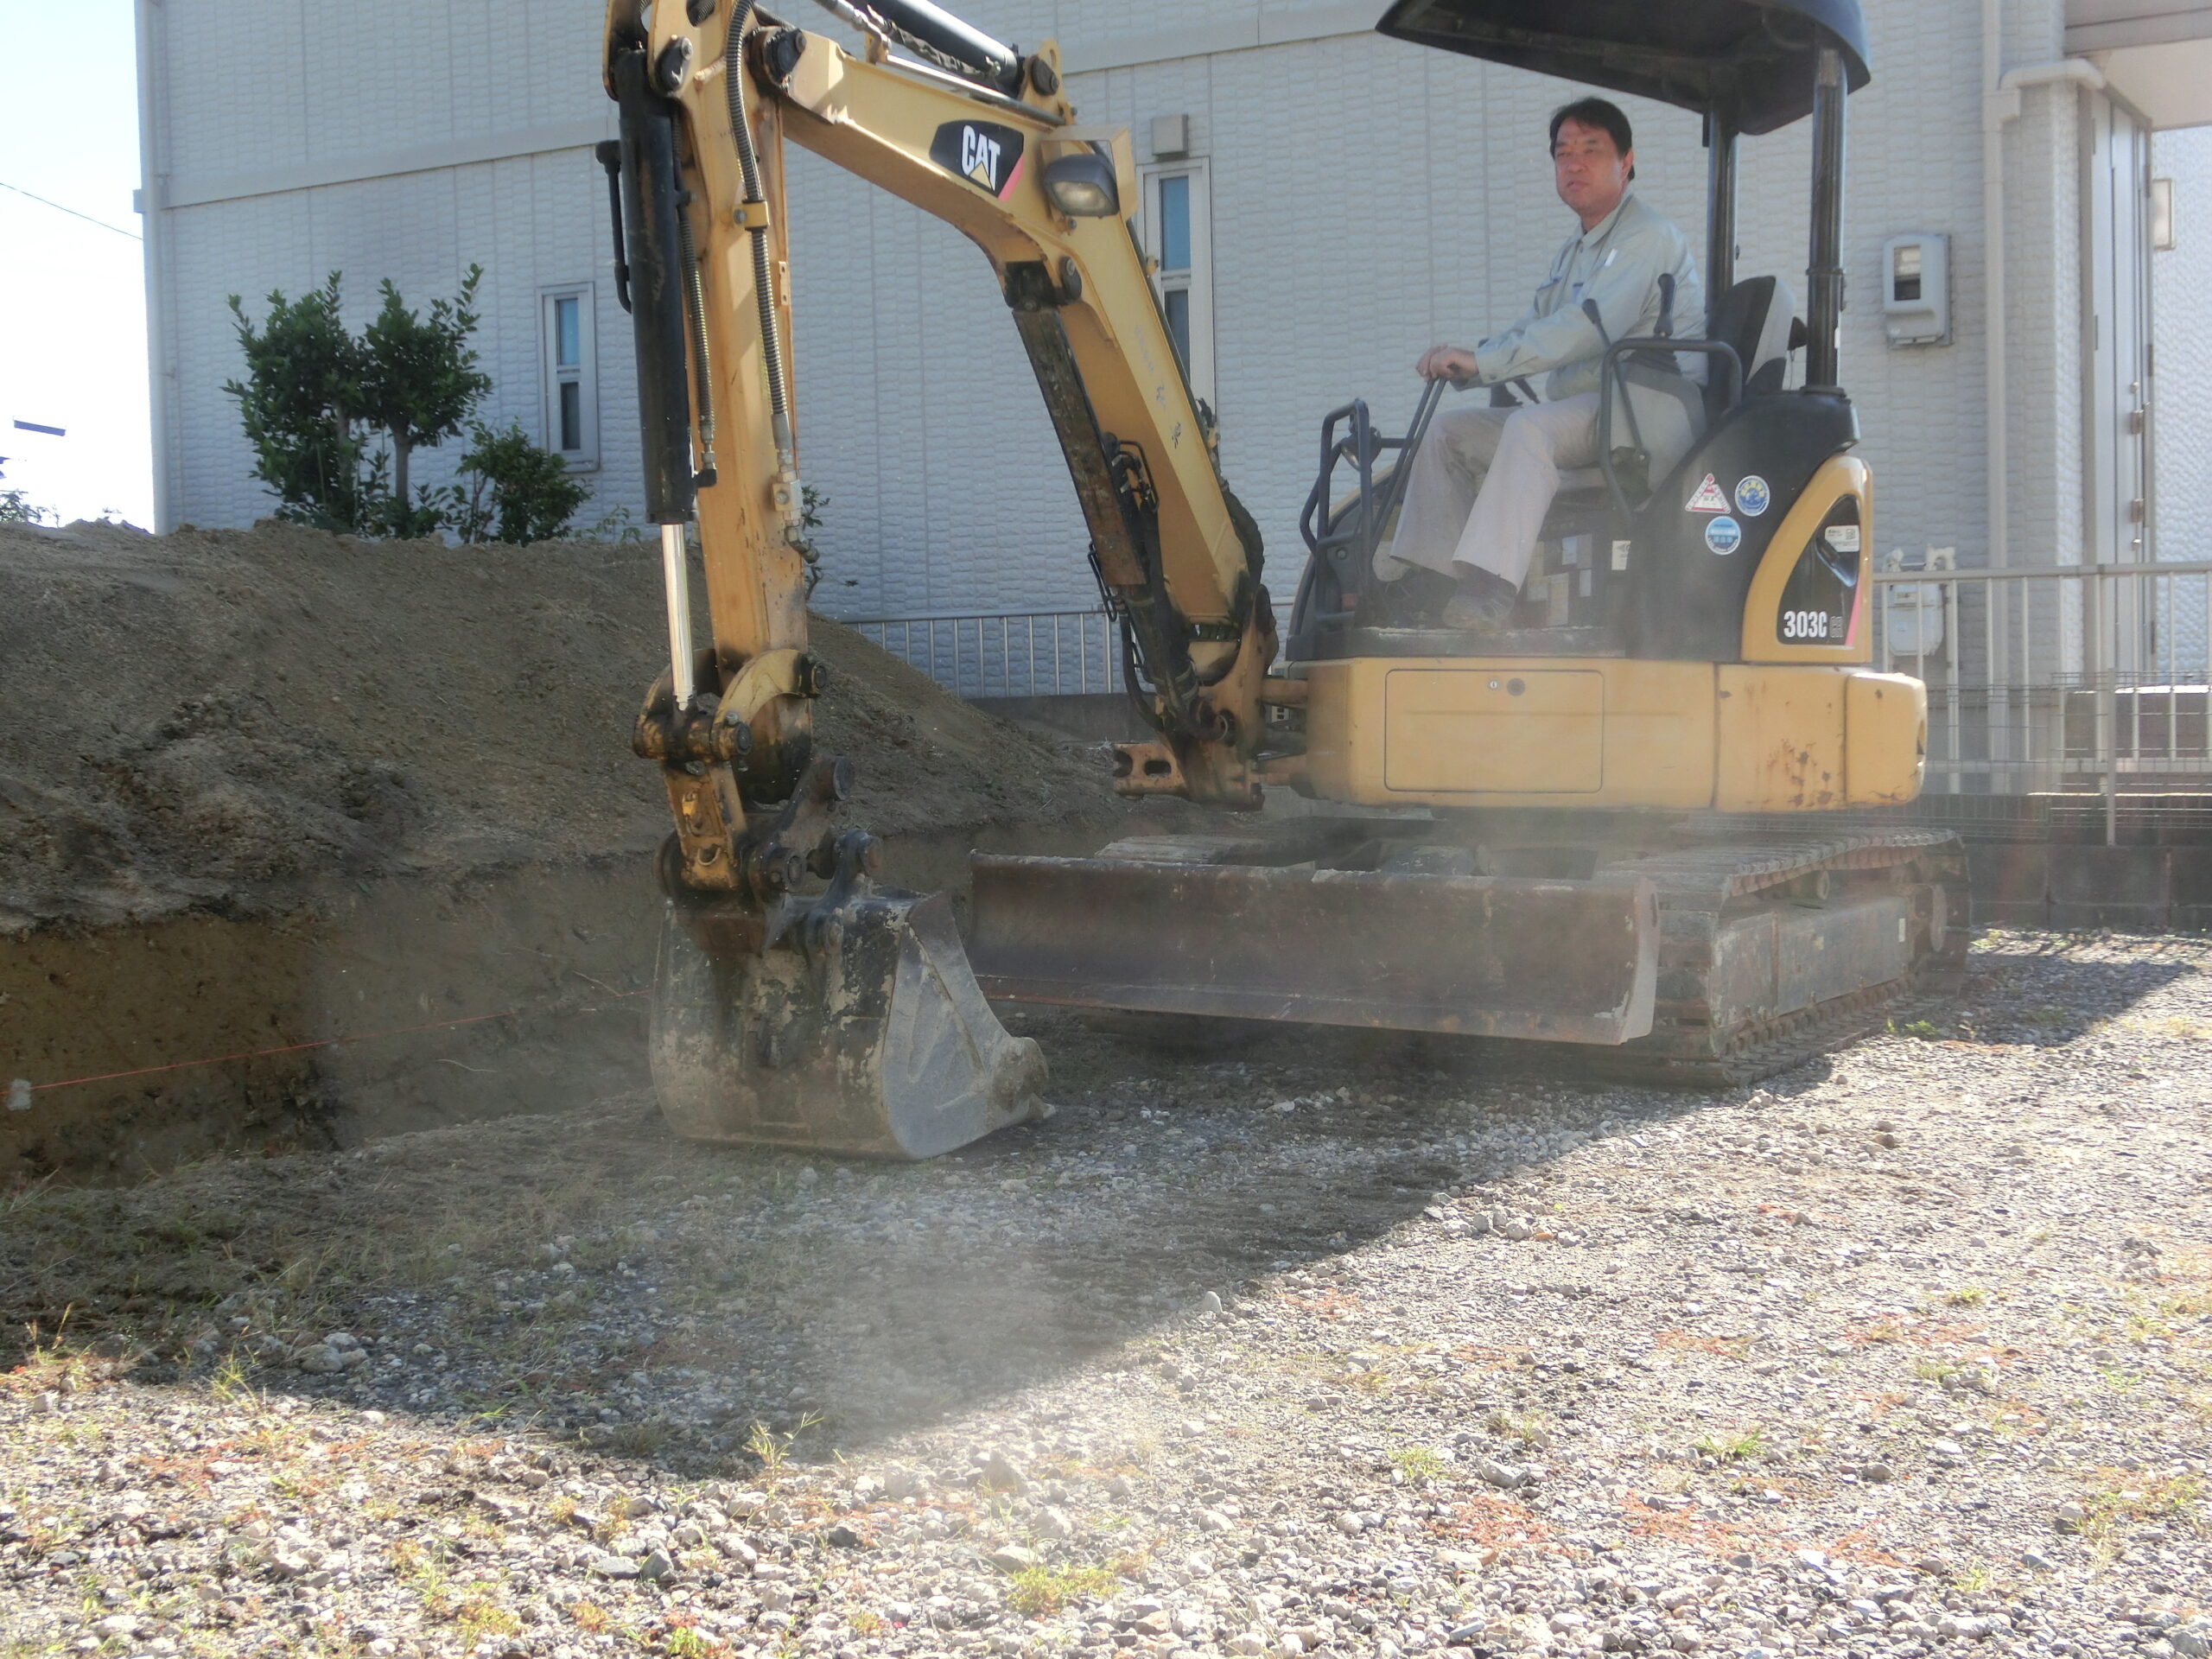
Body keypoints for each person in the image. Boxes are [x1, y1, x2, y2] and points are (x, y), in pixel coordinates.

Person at [1377, 98, 1706, 632]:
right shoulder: (1574, 251)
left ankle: (1491, 588)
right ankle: (1434, 583)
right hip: (1590, 411)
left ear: (1626, 162)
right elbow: (1534, 325)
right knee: (1447, 433)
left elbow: (1580, 327)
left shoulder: (1645, 238)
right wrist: (1468, 363)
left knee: (1530, 429)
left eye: (1591, 150)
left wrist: (1486, 362)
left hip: (1644, 412)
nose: (1573, 164)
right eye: (1563, 153)